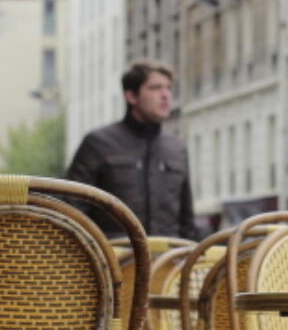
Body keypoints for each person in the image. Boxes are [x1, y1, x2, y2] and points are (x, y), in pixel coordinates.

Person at [65, 61, 195, 239]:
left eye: (169, 88)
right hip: (112, 259)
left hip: (168, 260)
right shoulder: (98, 143)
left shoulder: (177, 148)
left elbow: (187, 220)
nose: (166, 95)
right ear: (131, 96)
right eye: (156, 88)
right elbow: (72, 210)